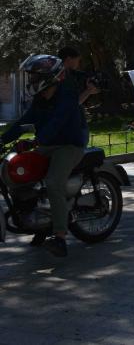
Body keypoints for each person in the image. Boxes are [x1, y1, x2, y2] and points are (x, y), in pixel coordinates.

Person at [1, 55, 87, 257]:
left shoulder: (67, 96)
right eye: (31, 77)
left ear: (50, 76)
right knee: (20, 173)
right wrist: (2, 140)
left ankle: (60, 236)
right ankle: (38, 224)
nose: (31, 81)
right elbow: (25, 121)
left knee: (53, 183)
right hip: (48, 145)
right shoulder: (40, 98)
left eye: (34, 77)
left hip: (69, 145)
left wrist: (38, 141)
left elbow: (58, 122)